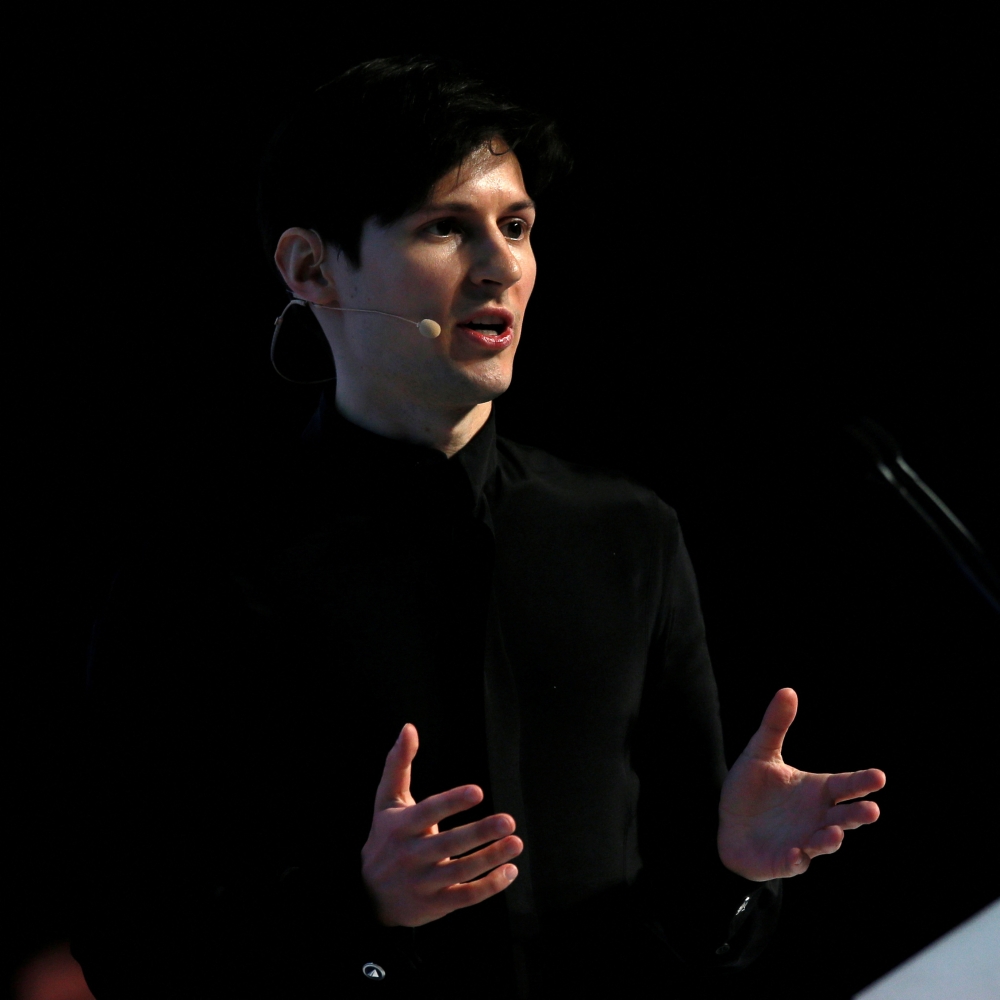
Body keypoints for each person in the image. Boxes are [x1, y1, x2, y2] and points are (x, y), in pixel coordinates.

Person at [71, 56, 886, 997]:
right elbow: (128, 937)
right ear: (310, 267)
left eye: (517, 226)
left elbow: (689, 921)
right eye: (446, 228)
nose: (501, 265)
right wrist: (364, 910)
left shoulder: (624, 533)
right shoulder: (203, 574)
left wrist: (736, 871)